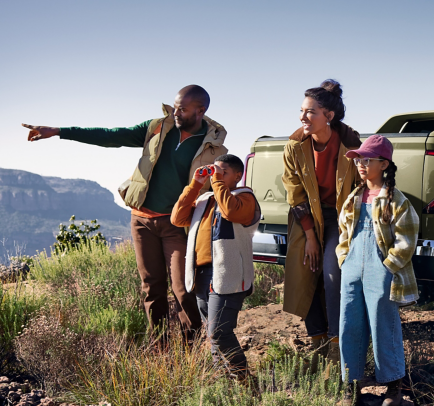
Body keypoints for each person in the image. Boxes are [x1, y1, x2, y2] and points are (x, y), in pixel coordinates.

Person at [22, 85, 227, 341]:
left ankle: (191, 347)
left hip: (177, 226)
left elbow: (218, 188)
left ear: (201, 110)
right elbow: (112, 136)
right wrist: (59, 132)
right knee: (151, 288)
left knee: (183, 288)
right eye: (175, 106)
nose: (175, 112)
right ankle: (159, 343)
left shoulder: (213, 147)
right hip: (141, 221)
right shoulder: (157, 127)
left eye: (182, 109)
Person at [335, 134, 419, 406]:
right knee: (349, 322)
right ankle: (351, 384)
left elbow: (407, 238)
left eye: (367, 159)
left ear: (384, 164)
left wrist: (388, 266)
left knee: (383, 322)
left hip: (380, 267)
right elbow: (344, 232)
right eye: (359, 159)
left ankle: (393, 384)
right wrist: (344, 258)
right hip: (352, 266)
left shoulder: (396, 200)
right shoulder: (354, 197)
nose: (361, 164)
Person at [281, 79, 361, 367]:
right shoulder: (294, 146)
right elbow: (294, 193)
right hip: (306, 217)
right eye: (302, 111)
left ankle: (338, 343)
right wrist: (311, 237)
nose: (303, 117)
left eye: (310, 112)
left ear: (328, 116)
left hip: (341, 219)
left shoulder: (351, 145)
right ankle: (317, 340)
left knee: (331, 274)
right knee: (306, 271)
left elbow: (364, 186)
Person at [171, 154, 260, 380]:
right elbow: (177, 217)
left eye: (223, 173)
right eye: (214, 172)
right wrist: (195, 185)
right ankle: (226, 386)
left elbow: (230, 211)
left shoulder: (245, 197)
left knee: (219, 332)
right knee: (213, 334)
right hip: (201, 274)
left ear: (237, 176)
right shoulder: (205, 200)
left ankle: (245, 383)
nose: (216, 177)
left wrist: (217, 181)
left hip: (228, 274)